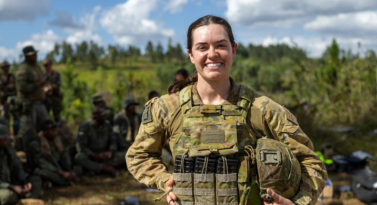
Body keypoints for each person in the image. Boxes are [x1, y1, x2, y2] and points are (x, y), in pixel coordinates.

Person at [126, 15, 326, 205]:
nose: (212, 54)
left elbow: (311, 163)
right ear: (191, 55)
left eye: (221, 45)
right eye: (202, 47)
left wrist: (298, 202)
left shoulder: (263, 109)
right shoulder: (167, 108)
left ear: (234, 50)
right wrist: (164, 180)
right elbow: (139, 156)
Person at [15, 45, 50, 153]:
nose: (34, 57)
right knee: (29, 132)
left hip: (39, 103)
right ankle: (29, 155)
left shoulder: (37, 67)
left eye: (35, 54)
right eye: (31, 55)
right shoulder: (23, 69)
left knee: (46, 127)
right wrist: (38, 84)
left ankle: (44, 152)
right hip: (29, 104)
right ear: (26, 56)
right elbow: (22, 87)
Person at [75, 107, 125, 177]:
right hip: (92, 156)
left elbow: (113, 140)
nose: (105, 117)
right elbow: (81, 147)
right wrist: (95, 155)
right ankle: (105, 169)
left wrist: (110, 151)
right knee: (79, 158)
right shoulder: (85, 126)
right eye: (103, 115)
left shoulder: (107, 125)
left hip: (106, 156)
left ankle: (97, 169)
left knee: (126, 155)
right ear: (96, 117)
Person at [0, 123, 42, 204]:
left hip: (12, 183)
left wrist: (25, 181)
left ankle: (28, 198)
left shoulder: (7, 149)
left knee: (36, 180)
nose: (6, 139)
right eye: (3, 138)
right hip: (4, 187)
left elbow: (17, 167)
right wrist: (12, 187)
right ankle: (24, 197)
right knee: (7, 195)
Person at [33, 120, 78, 186]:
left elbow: (63, 155)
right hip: (47, 169)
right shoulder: (36, 143)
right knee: (45, 174)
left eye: (55, 130)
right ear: (44, 131)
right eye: (52, 130)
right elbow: (41, 162)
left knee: (77, 169)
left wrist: (69, 170)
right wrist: (61, 172)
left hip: (58, 167)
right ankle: (64, 182)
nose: (55, 132)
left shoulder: (56, 139)